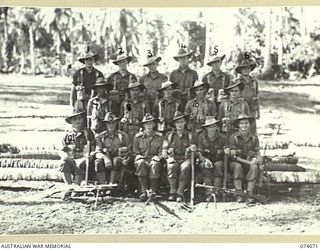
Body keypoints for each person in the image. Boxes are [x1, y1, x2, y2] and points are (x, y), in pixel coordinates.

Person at [225, 114, 263, 204]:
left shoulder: (254, 138)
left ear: (249, 125)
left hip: (249, 161)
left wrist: (259, 162)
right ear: (238, 125)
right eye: (242, 123)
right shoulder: (234, 138)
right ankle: (239, 193)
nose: (244, 126)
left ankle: (250, 193)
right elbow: (234, 157)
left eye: (246, 123)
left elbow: (257, 152)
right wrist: (249, 162)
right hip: (236, 162)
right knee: (237, 167)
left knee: (254, 167)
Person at [162, 111, 195, 202]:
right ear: (174, 124)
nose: (179, 125)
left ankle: (180, 192)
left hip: (185, 159)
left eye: (181, 122)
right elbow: (164, 149)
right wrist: (167, 155)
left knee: (185, 168)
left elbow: (194, 148)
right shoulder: (169, 135)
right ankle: (172, 191)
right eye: (177, 122)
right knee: (171, 166)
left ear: (185, 122)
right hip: (173, 158)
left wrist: (192, 148)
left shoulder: (190, 135)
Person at [94, 112, 132, 190]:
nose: (111, 125)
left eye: (113, 123)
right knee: (98, 162)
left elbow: (129, 150)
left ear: (116, 124)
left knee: (116, 160)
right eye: (108, 123)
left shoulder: (123, 135)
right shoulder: (100, 137)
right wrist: (105, 158)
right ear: (105, 124)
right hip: (106, 161)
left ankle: (112, 184)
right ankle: (103, 185)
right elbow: (97, 152)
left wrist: (126, 158)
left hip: (118, 161)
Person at [59, 109, 95, 185]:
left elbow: (93, 148)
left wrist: (90, 155)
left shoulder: (88, 132)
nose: (77, 121)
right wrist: (64, 156)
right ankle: (68, 186)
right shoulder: (66, 134)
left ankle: (77, 186)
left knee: (79, 165)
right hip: (71, 159)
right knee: (63, 162)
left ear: (82, 120)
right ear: (71, 121)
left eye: (79, 118)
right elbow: (62, 150)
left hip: (83, 160)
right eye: (75, 119)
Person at [132, 114, 164, 201]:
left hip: (154, 160)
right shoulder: (138, 137)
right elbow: (135, 152)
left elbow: (162, 151)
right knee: (140, 163)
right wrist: (139, 157)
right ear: (143, 125)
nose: (149, 126)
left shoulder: (159, 137)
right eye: (146, 124)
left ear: (154, 125)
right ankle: (143, 191)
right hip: (143, 160)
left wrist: (158, 157)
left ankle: (153, 191)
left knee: (155, 164)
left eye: (150, 123)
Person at [197, 117, 225, 201]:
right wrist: (205, 160)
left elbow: (225, 153)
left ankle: (216, 191)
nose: (212, 129)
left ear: (216, 127)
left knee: (218, 166)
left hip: (218, 160)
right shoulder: (201, 138)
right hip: (206, 160)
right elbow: (199, 152)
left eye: (213, 126)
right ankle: (209, 193)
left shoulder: (222, 138)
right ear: (206, 128)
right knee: (205, 167)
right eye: (209, 127)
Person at [107, 49, 138, 114]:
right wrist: (112, 93)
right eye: (120, 62)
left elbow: (136, 89)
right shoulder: (112, 77)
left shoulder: (132, 76)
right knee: (115, 117)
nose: (122, 64)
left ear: (127, 62)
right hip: (115, 102)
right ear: (117, 64)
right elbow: (107, 90)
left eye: (124, 61)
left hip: (128, 101)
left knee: (128, 116)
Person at [236, 58, 260, 133]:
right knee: (241, 129)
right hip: (240, 109)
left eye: (248, 68)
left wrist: (258, 111)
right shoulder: (236, 82)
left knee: (252, 130)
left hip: (251, 108)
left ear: (250, 70)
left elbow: (256, 96)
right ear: (241, 70)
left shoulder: (254, 82)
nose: (246, 70)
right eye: (244, 68)